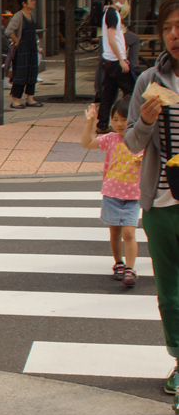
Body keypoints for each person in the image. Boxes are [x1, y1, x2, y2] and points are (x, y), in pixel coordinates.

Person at [123, 0, 179, 415]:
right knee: (170, 291)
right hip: (161, 199)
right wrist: (145, 119)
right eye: (168, 28)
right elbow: (130, 143)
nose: (175, 35)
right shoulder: (148, 80)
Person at [80, 99, 143, 286]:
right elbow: (86, 143)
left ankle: (130, 269)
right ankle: (119, 264)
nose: (120, 124)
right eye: (115, 120)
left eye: (124, 120)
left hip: (133, 196)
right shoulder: (111, 139)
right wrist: (90, 122)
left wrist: (143, 161)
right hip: (111, 194)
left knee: (129, 233)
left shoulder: (140, 141)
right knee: (115, 232)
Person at [97, 0, 137, 134]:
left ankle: (102, 124)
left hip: (110, 61)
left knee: (109, 94)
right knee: (131, 92)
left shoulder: (112, 12)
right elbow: (112, 39)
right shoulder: (112, 13)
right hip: (115, 61)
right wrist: (121, 59)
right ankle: (130, 122)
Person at [5, 0, 42, 109]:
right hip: (22, 50)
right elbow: (9, 31)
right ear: (24, 3)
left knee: (32, 73)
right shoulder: (18, 16)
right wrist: (17, 41)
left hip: (32, 49)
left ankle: (30, 98)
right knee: (20, 74)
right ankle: (15, 99)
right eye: (31, 0)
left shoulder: (31, 15)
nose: (34, 2)